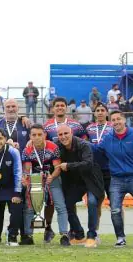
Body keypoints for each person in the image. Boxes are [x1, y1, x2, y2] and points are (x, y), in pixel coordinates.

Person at [92, 110, 133, 248]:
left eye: (118, 119)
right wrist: (78, 142)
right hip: (116, 180)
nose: (116, 122)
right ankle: (120, 238)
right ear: (110, 122)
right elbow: (95, 150)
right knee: (115, 210)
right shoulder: (107, 138)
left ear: (124, 120)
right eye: (113, 120)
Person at [42, 97, 87, 243]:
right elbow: (41, 143)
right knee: (51, 202)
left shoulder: (76, 125)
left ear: (66, 108)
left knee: (69, 202)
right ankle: (48, 228)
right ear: (53, 109)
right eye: (57, 106)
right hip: (53, 169)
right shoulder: (47, 126)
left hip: (70, 170)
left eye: (62, 105)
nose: (60, 108)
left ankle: (73, 230)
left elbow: (84, 142)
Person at [0, 99, 30, 242]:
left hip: (21, 170)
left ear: (18, 108)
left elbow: (35, 140)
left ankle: (21, 234)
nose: (11, 109)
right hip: (1, 170)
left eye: (13, 106)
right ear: (3, 109)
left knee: (19, 204)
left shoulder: (25, 124)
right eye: (8, 107)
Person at [56, 124, 105, 248]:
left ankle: (92, 236)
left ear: (71, 133)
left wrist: (68, 166)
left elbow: (87, 164)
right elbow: (45, 146)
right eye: (60, 134)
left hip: (91, 179)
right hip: (75, 182)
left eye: (66, 133)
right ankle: (78, 234)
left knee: (92, 202)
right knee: (67, 204)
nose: (63, 137)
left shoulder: (84, 145)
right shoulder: (57, 146)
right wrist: (30, 142)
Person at [21, 124, 70, 246]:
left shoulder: (52, 147)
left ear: (45, 135)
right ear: (30, 136)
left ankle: (64, 235)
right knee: (29, 206)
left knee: (60, 205)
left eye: (39, 134)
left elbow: (58, 166)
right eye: (34, 135)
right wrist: (25, 179)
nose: (37, 137)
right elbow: (27, 170)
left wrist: (52, 176)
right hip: (36, 180)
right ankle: (28, 235)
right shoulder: (27, 150)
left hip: (51, 178)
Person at [86, 102, 114, 241]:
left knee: (115, 203)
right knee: (95, 203)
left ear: (107, 113)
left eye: (103, 110)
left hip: (110, 170)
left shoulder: (113, 127)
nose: (100, 112)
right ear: (94, 113)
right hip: (94, 171)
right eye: (98, 110)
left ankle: (120, 233)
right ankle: (95, 232)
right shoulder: (89, 128)